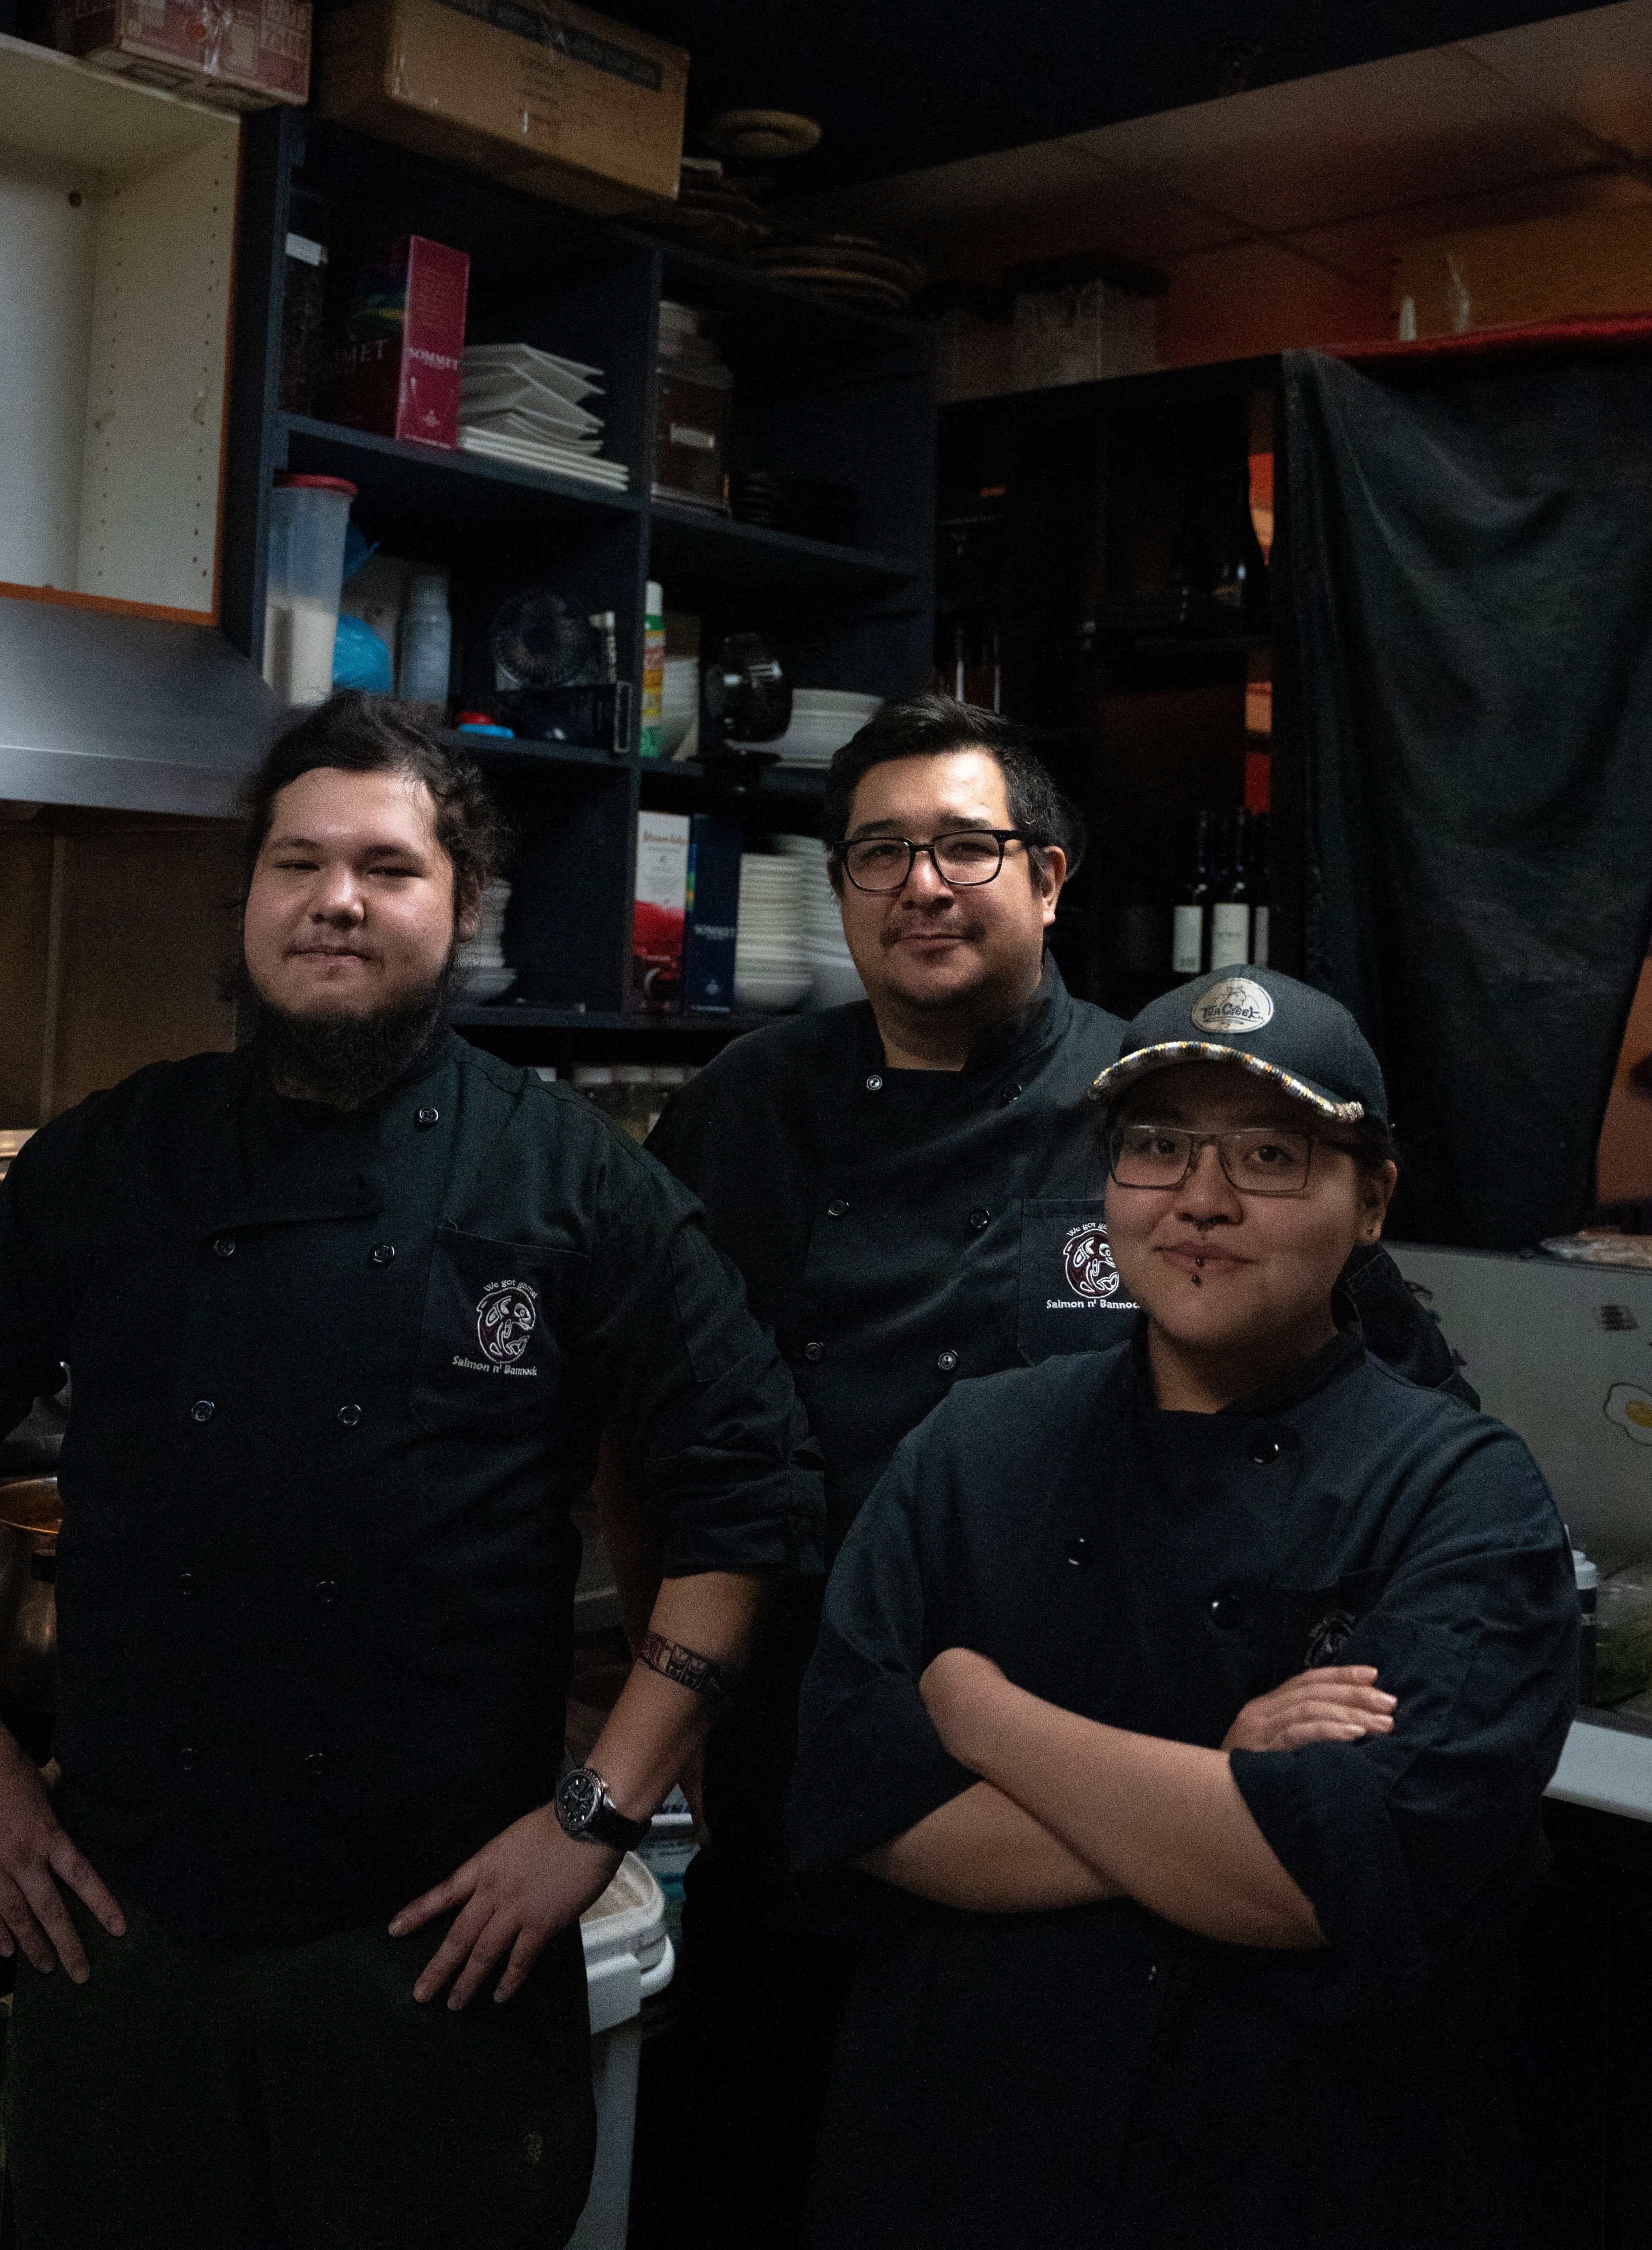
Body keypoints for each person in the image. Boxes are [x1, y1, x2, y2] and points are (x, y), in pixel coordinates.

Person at [0, 693, 822, 2250]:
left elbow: (749, 1491)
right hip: (123, 1919)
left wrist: (594, 1816)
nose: (336, 900)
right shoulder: (114, 1154)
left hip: (435, 1945)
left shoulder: (572, 1179)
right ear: (247, 896)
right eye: (298, 862)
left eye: (388, 866)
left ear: (464, 907)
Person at [615, 694, 1461, 2244]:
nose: (921, 886)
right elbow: (657, 1435)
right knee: (750, 2183)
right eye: (880, 853)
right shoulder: (738, 1111)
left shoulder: (1158, 1107)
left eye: (964, 847)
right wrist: (657, 1704)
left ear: (1051, 879)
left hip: (1111, 1823)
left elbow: (1397, 1423)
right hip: (808, 1783)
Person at [789, 968, 1578, 2250]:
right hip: (964, 2145)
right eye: (1157, 1148)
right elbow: (856, 1798)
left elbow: (1329, 1875)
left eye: (1268, 1155)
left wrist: (980, 1714)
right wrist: (1217, 1782)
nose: (1200, 1201)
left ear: (1368, 1200)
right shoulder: (977, 1441)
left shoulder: (1455, 1491)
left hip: (1281, 2160)